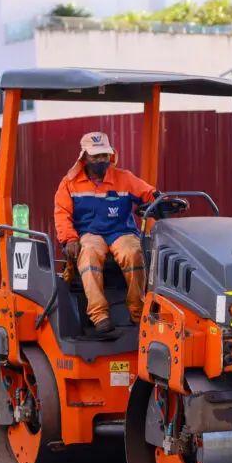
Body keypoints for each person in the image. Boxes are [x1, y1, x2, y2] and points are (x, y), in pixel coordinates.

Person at [54, 131, 156, 334]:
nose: (101, 160)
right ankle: (99, 316)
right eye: (96, 156)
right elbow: (62, 213)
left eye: (104, 155)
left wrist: (162, 201)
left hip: (121, 231)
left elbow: (149, 194)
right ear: (84, 157)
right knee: (89, 254)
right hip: (90, 234)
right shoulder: (69, 184)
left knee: (134, 253)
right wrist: (70, 239)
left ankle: (138, 313)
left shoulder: (124, 178)